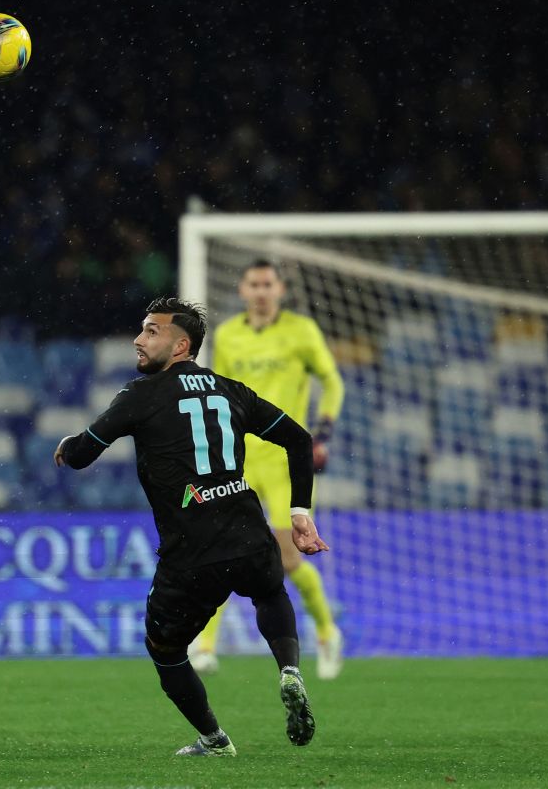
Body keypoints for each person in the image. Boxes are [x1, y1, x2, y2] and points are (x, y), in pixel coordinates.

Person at [54, 297, 328, 756]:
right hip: (248, 534)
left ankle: (215, 739)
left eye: (151, 332)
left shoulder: (139, 397)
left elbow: (81, 456)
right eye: (141, 330)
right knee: (269, 592)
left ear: (181, 345)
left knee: (165, 648)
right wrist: (300, 513)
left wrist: (67, 443)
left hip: (189, 553)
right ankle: (289, 670)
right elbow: (299, 440)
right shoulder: (230, 390)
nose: (139, 340)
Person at [191, 260, 346, 679]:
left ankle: (328, 633)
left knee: (288, 559)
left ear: (280, 290)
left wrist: (323, 432)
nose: (261, 291)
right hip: (238, 459)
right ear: (242, 290)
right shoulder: (227, 335)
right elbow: (218, 391)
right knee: (220, 549)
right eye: (254, 284)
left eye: (268, 284)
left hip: (282, 462)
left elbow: (332, 381)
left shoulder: (301, 332)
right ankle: (205, 644)